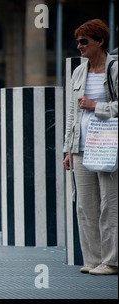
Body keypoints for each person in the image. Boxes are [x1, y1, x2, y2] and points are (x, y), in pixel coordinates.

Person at [63, 19, 118, 275]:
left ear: (100, 42)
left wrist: (98, 107)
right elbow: (72, 113)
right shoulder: (78, 72)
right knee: (85, 206)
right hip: (81, 146)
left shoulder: (115, 69)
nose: (79, 46)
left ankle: (111, 261)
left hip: (108, 146)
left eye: (84, 41)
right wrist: (67, 148)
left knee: (110, 204)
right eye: (77, 41)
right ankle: (94, 259)